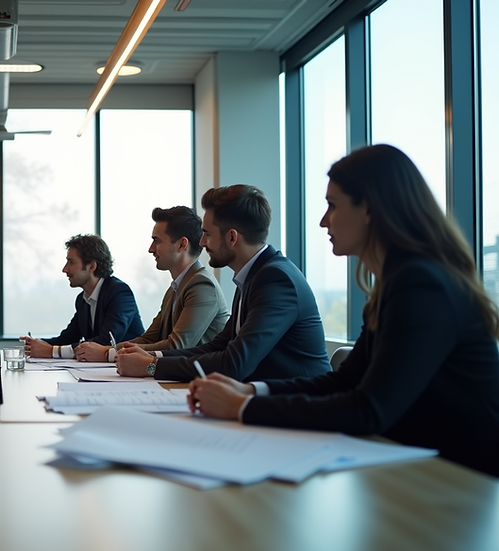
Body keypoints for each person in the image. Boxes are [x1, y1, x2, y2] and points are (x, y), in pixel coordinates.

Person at [187, 145, 499, 477]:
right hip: (423, 467)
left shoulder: (421, 285)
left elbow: (368, 409)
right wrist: (251, 391)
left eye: (332, 206)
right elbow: (346, 380)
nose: (323, 221)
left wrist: (243, 407)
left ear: (369, 208)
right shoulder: (395, 281)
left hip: (464, 480)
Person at [117, 184, 330, 381]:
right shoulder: (253, 275)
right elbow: (217, 347)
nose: (201, 242)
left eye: (207, 234)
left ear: (231, 238)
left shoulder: (275, 280)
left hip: (299, 411)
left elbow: (235, 362)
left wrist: (152, 366)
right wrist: (151, 357)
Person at [101, 206, 228, 359]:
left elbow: (177, 346)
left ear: (182, 245)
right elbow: (148, 338)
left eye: (156, 241)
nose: (151, 249)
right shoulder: (175, 288)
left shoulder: (202, 285)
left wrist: (108, 353)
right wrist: (109, 350)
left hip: (197, 380)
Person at [22, 234, 144, 360]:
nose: (65, 269)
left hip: (130, 370)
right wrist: (36, 344)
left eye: (71, 262)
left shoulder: (119, 293)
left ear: (91, 266)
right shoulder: (82, 299)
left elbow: (106, 341)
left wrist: (52, 351)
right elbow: (68, 338)